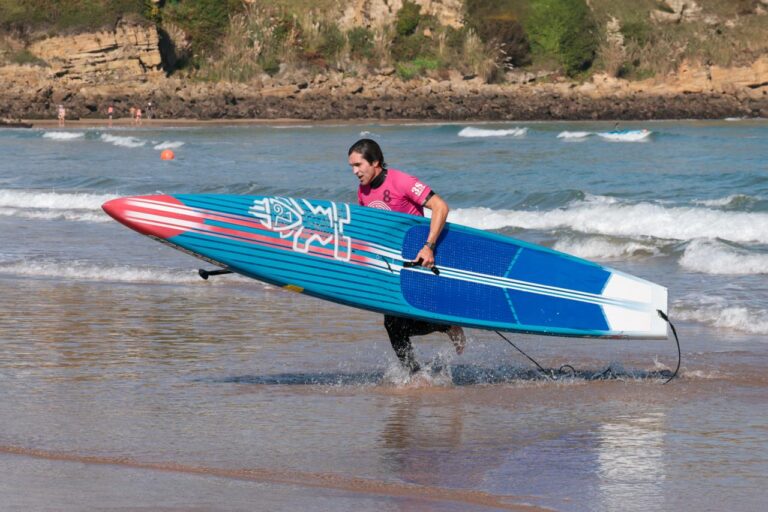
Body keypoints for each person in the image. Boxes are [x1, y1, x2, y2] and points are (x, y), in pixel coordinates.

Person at [348, 138, 466, 373]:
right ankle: (413, 372)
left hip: (417, 260)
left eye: (359, 165)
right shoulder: (363, 191)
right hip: (390, 264)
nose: (355, 171)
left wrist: (428, 246)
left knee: (398, 319)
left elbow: (441, 207)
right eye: (352, 166)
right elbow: (369, 228)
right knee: (392, 324)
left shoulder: (402, 181)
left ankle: (447, 326)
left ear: (375, 162)